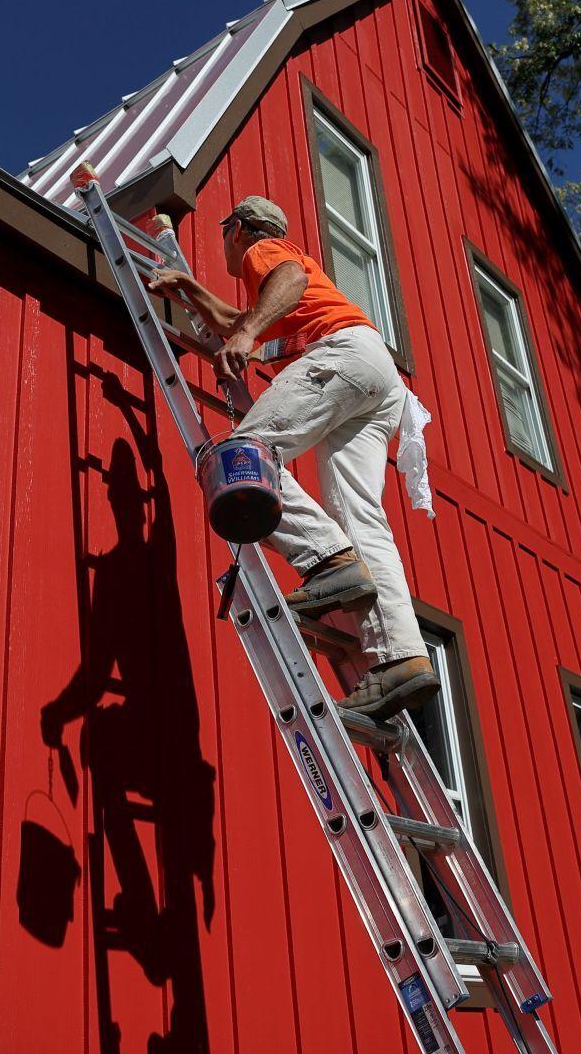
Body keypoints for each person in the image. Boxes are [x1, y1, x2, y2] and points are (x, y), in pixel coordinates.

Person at [144, 195, 437, 721]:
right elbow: (238, 319)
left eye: (226, 234)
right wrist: (190, 289)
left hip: (343, 355)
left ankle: (328, 561)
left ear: (237, 229)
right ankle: (403, 660)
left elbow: (280, 291)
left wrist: (251, 332)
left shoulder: (266, 251)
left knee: (242, 456)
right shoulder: (281, 285)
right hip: (379, 376)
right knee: (361, 519)